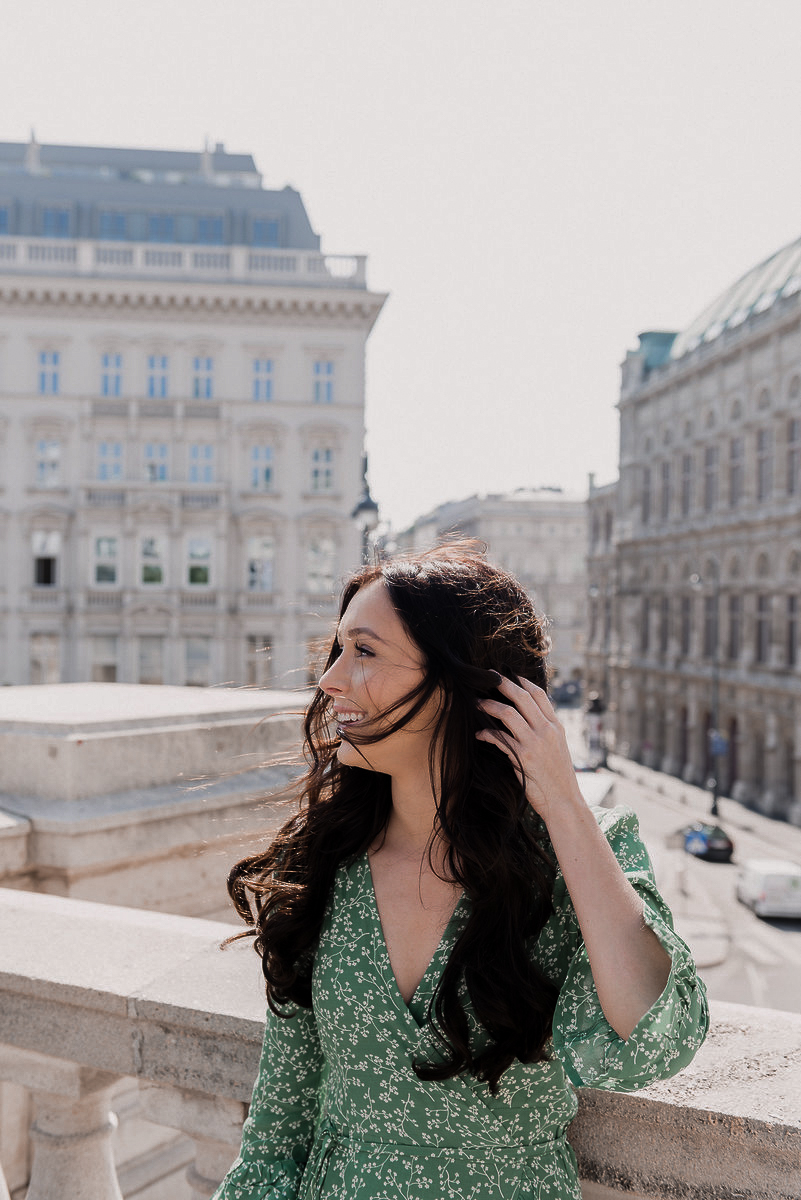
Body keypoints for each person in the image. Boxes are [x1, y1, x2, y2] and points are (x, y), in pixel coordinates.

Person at [214, 544, 708, 1200]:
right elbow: (276, 1129)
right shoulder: (322, 863)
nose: (330, 681)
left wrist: (560, 799)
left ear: (460, 681)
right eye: (336, 651)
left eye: (363, 651)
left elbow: (652, 1039)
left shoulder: (575, 860)